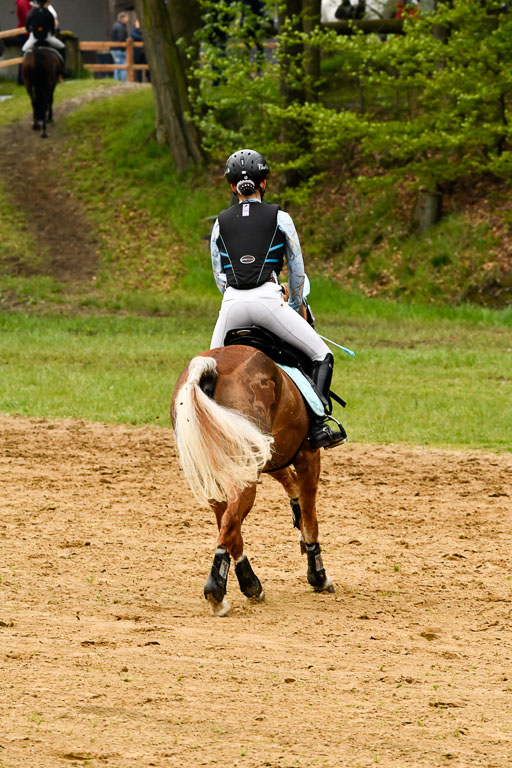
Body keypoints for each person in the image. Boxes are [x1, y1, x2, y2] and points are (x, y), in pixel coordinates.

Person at [210, 149, 347, 450]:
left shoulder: (220, 223)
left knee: (209, 370)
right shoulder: (280, 218)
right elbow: (297, 272)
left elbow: (219, 276)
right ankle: (318, 427)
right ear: (265, 182)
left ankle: (205, 427)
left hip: (231, 305)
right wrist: (295, 304)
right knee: (322, 355)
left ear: (232, 187)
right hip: (269, 302)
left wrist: (235, 296)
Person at [110, 11, 129, 82]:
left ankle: (116, 81)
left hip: (114, 49)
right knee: (123, 66)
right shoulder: (121, 27)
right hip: (119, 50)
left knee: (117, 66)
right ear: (122, 18)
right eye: (126, 18)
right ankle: (123, 82)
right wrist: (123, 50)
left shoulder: (115, 25)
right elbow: (121, 40)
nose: (127, 20)